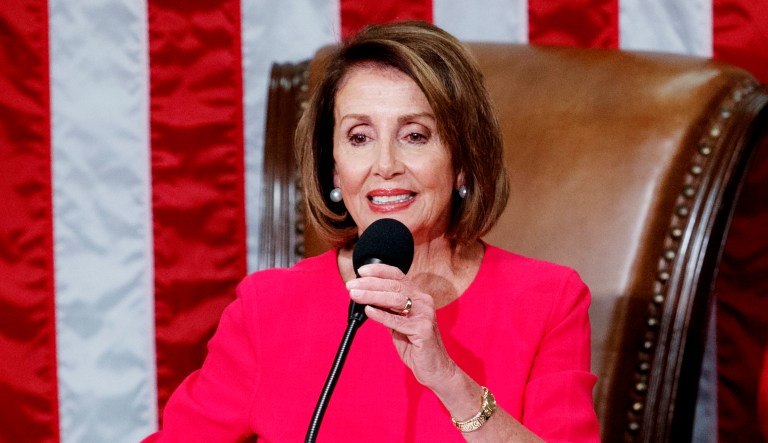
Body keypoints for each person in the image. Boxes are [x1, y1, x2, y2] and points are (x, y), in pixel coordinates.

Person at [144, 20, 600, 442]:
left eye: (415, 135)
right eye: (359, 137)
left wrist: (446, 378)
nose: (385, 166)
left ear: (463, 162)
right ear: (335, 169)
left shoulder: (548, 301)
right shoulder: (268, 309)